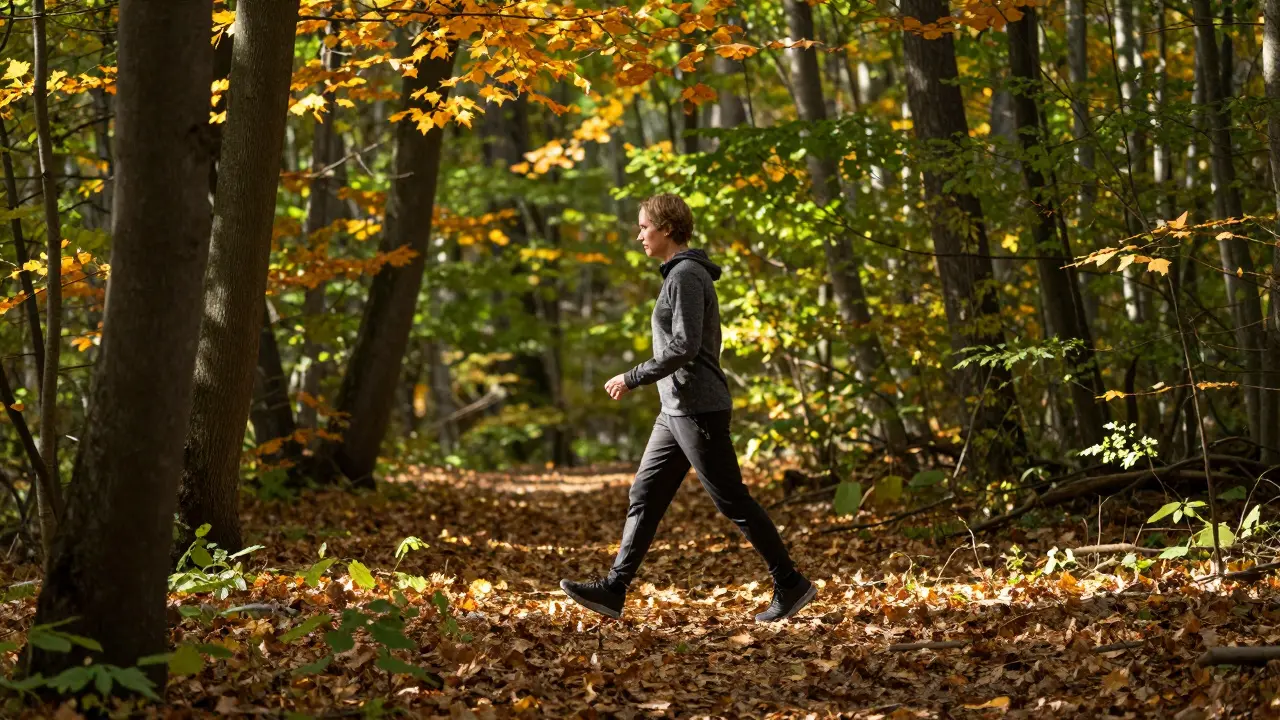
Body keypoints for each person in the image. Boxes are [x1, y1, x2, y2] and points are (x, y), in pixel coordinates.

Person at [559, 193, 817, 623]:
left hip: (698, 408)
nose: (639, 235)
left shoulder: (686, 276)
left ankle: (790, 583)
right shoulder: (676, 276)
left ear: (666, 228)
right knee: (645, 493)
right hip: (674, 409)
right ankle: (614, 589)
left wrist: (633, 376)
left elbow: (684, 345)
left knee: (732, 499)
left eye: (644, 227)